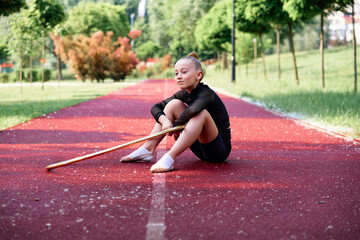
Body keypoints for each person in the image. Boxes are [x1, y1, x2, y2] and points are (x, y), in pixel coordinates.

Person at [120, 52, 231, 173]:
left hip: (218, 151)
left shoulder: (206, 94)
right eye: (176, 73)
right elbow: (156, 107)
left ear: (198, 75)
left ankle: (170, 157)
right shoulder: (183, 94)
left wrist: (175, 126)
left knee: (201, 113)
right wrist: (165, 121)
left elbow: (193, 110)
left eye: (184, 72)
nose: (178, 76)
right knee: (173, 104)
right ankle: (147, 149)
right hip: (200, 149)